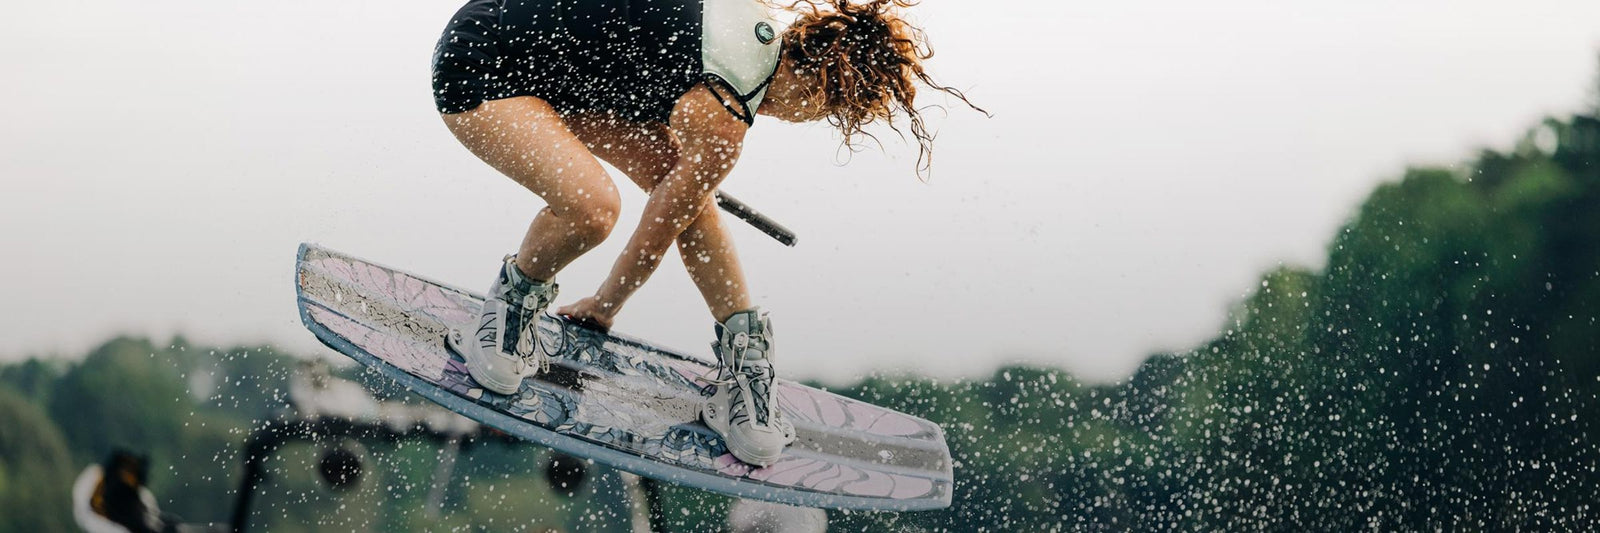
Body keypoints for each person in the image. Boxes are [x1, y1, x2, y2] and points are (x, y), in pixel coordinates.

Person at [432, 0, 978, 466]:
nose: (811, 121)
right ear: (820, 90)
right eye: (829, 113)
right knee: (594, 208)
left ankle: (746, 360)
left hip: (570, 80)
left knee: (689, 193)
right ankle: (511, 308)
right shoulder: (724, 112)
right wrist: (604, 305)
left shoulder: (754, 27)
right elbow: (654, 235)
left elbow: (679, 209)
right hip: (486, 65)